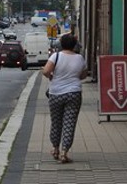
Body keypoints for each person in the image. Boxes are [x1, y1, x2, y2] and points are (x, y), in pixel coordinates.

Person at [40, 34, 87, 163]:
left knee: (56, 122)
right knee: (69, 123)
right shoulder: (80, 58)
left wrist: (50, 76)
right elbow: (83, 75)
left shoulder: (56, 56)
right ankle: (64, 152)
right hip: (74, 93)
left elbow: (46, 71)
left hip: (56, 93)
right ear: (74, 45)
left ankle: (55, 149)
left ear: (61, 45)